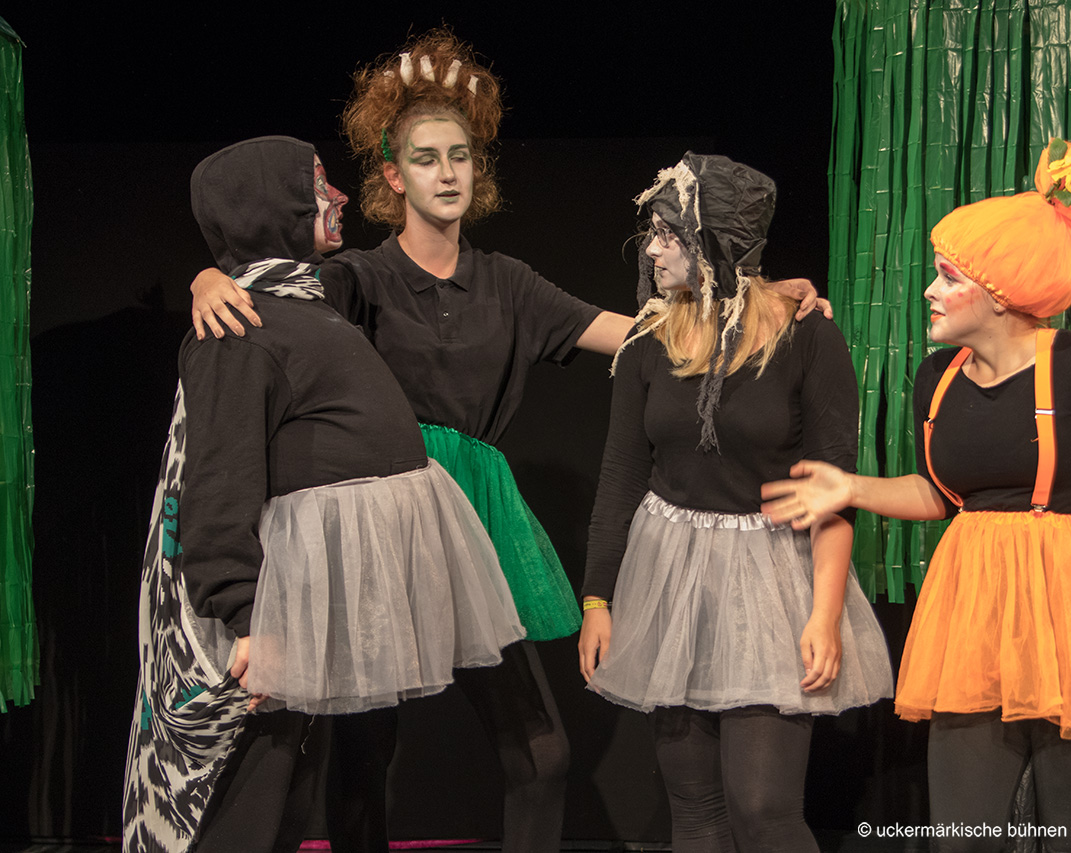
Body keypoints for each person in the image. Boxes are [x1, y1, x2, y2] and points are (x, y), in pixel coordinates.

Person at [187, 31, 825, 853]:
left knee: (541, 753)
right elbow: (272, 290)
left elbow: (642, 332)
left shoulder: (507, 282)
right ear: (393, 175)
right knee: (364, 750)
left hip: (474, 518)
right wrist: (210, 275)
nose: (448, 173)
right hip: (386, 517)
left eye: (460, 156)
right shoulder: (357, 279)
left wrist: (753, 299)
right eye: (426, 159)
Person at [761, 138, 1071, 849]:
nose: (929, 291)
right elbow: (939, 494)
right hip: (976, 607)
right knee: (964, 826)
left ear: (998, 292)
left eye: (947, 277)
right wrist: (852, 486)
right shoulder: (937, 378)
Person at [122, 136, 523, 853]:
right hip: (269, 620)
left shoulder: (306, 300)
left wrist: (209, 274)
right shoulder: (237, 328)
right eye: (316, 184)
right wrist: (246, 617)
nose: (338, 196)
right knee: (250, 807)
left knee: (290, 800)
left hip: (309, 608)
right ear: (269, 206)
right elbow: (216, 483)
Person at [578, 152, 894, 853]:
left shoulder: (807, 335)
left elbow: (834, 488)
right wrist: (598, 598)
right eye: (654, 233)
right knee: (696, 811)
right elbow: (621, 476)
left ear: (715, 241)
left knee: (763, 809)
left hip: (770, 576)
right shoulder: (649, 339)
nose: (652, 249)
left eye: (669, 234)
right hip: (671, 575)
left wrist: (824, 612)